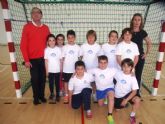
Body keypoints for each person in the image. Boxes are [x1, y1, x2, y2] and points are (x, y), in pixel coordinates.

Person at [20, 7, 50, 105]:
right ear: (31, 15)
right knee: (35, 79)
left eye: (38, 12)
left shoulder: (46, 28)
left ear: (41, 15)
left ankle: (41, 96)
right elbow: (23, 45)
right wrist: (26, 60)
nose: (36, 14)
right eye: (33, 13)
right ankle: (36, 97)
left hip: (43, 59)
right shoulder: (27, 27)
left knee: (42, 79)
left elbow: (50, 43)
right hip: (32, 60)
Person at [88, 55, 117, 124]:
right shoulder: (94, 70)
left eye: (104, 62)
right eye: (101, 62)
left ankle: (109, 115)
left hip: (109, 88)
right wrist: (75, 73)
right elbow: (84, 71)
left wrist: (132, 72)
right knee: (100, 105)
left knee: (111, 96)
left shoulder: (113, 70)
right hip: (100, 90)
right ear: (98, 63)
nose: (103, 64)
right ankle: (105, 98)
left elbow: (123, 73)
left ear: (107, 63)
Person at [130, 13, 152, 96]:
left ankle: (137, 93)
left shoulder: (143, 32)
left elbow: (149, 42)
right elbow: (120, 41)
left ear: (141, 22)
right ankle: (128, 91)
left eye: (139, 20)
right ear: (132, 21)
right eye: (135, 19)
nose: (136, 22)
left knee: (138, 75)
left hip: (139, 57)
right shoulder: (128, 31)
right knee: (129, 74)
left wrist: (146, 53)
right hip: (129, 58)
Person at [114, 58, 140, 124]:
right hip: (118, 96)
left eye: (128, 66)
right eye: (124, 66)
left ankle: (132, 116)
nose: (126, 68)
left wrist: (126, 99)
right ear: (121, 66)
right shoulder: (117, 73)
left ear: (131, 67)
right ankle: (124, 104)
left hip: (127, 94)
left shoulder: (132, 77)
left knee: (137, 100)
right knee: (117, 110)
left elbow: (134, 91)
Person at [80, 30, 101, 102]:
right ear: (87, 37)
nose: (91, 38)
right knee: (85, 82)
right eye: (89, 37)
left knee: (94, 83)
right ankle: (86, 96)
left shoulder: (98, 46)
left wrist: (99, 67)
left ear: (95, 37)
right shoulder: (83, 46)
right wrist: (82, 67)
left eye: (92, 37)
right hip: (85, 69)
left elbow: (100, 58)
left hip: (94, 68)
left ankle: (94, 94)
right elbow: (80, 57)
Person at [62, 30, 81, 104]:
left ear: (75, 38)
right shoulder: (64, 47)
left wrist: (77, 70)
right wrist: (62, 68)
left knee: (75, 82)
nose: (70, 39)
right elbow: (63, 58)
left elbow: (80, 59)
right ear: (67, 38)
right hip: (66, 69)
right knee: (66, 82)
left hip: (75, 70)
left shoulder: (78, 47)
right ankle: (66, 95)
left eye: (72, 37)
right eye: (69, 38)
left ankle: (74, 95)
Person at [44, 34, 62, 102]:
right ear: (48, 42)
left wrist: (60, 69)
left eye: (53, 40)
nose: (52, 42)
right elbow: (46, 61)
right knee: (51, 83)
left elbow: (60, 60)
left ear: (55, 41)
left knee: (57, 83)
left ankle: (57, 95)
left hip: (57, 70)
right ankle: (52, 94)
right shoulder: (46, 50)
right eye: (50, 40)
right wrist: (46, 71)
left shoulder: (58, 49)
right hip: (50, 71)